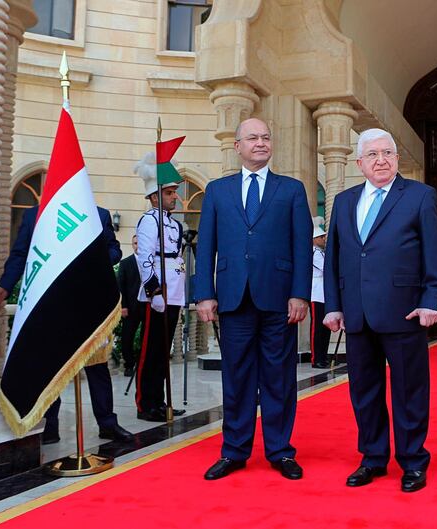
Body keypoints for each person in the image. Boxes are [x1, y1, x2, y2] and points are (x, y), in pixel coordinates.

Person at [323, 128, 437, 493]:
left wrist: (431, 300)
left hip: (404, 311)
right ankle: (373, 458)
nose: (381, 160)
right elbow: (335, 259)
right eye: (373, 154)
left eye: (388, 153)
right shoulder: (344, 202)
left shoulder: (420, 197)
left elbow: (433, 253)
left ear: (396, 159)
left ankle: (412, 462)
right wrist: (333, 306)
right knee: (364, 390)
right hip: (357, 314)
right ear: (359, 163)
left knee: (409, 390)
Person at [195, 118, 313, 481]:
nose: (260, 143)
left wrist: (300, 294)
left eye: (265, 138)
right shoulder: (217, 191)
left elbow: (301, 245)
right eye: (252, 138)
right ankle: (234, 451)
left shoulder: (291, 190)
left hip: (279, 299)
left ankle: (280, 451)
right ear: (238, 146)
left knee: (279, 378)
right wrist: (204, 294)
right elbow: (206, 247)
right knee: (237, 378)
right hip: (232, 299)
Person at [0, 206, 133, 444]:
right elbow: (20, 255)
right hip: (51, 305)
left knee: (98, 367)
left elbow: (114, 250)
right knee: (51, 366)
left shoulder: (98, 214)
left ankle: (107, 424)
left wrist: (91, 259)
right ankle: (50, 424)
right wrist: (5, 286)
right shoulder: (33, 216)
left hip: (90, 306)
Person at [134, 153, 186, 422]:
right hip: (159, 292)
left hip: (174, 291)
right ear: (154, 197)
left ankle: (160, 401)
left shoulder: (173, 224)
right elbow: (144, 257)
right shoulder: (149, 221)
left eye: (174, 192)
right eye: (169, 193)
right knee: (151, 349)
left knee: (163, 350)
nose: (174, 197)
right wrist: (154, 291)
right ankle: (146, 403)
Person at [117, 234, 145, 377]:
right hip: (131, 307)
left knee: (146, 337)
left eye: (140, 243)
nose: (137, 246)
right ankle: (129, 365)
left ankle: (143, 364)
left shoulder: (151, 262)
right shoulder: (125, 263)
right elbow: (120, 286)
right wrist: (123, 306)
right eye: (135, 243)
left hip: (147, 307)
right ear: (132, 245)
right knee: (127, 338)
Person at [310, 216, 332, 369]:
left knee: (325, 327)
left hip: (325, 294)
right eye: (321, 236)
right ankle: (316, 357)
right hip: (316, 294)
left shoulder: (321, 252)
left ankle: (323, 357)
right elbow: (326, 268)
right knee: (317, 328)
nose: (324, 238)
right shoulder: (312, 253)